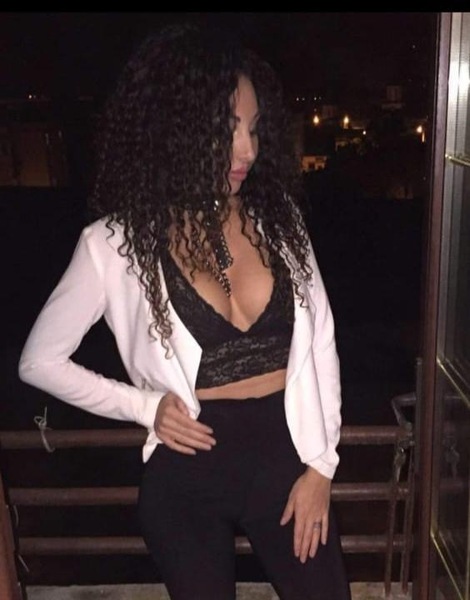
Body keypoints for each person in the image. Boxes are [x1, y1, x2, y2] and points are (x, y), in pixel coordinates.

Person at [18, 21, 351, 600]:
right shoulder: (113, 245)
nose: (247, 150)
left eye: (253, 128)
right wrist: (145, 406)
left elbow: (321, 340)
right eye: (227, 129)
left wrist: (322, 467)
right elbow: (39, 362)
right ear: (176, 130)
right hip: (186, 477)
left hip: (287, 459)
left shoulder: (280, 223)